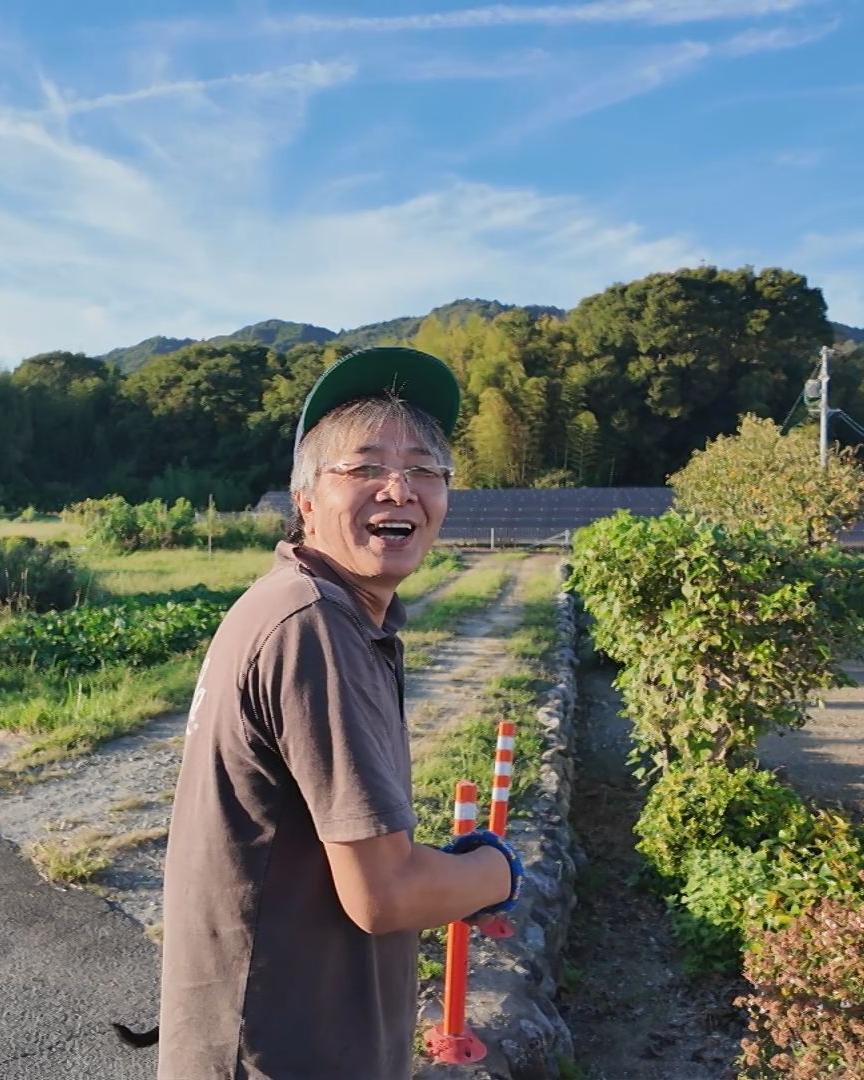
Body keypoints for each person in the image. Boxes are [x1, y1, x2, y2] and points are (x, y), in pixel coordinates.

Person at [155, 346, 521, 1080]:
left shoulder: (297, 603)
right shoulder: (314, 624)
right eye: (363, 468)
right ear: (307, 500)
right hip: (286, 1053)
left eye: (424, 469)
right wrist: (498, 871)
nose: (400, 488)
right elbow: (385, 895)